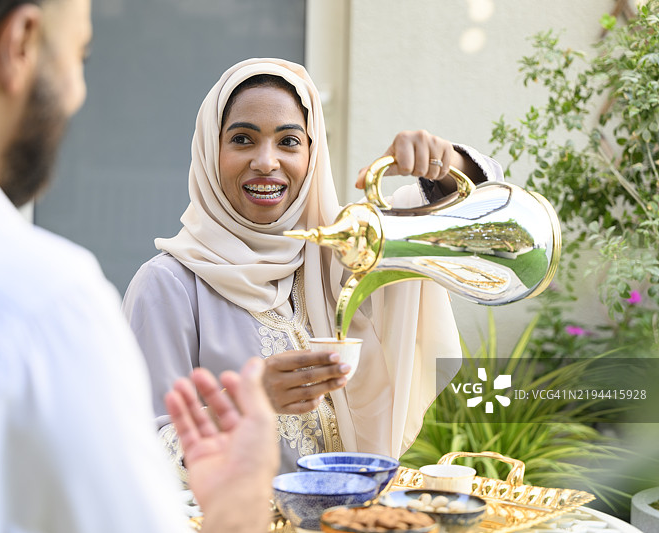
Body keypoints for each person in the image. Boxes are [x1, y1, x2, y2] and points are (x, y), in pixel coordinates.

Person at [0, 1, 278, 532]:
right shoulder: (38, 305)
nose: (78, 94)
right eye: (79, 56)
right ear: (21, 43)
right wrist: (238, 508)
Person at [122, 58, 504, 476]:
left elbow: (486, 226)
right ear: (211, 151)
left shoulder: (343, 258)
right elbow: (138, 455)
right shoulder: (169, 286)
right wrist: (249, 401)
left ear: (312, 152)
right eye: (243, 140)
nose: (266, 161)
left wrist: (444, 166)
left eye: (288, 142)